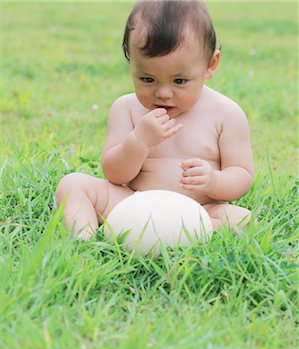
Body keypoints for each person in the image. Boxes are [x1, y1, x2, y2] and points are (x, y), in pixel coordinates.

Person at [56, 0, 254, 240]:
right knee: (72, 184)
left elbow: (241, 175)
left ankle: (187, 233)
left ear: (210, 65)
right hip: (133, 205)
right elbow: (115, 176)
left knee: (241, 218)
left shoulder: (226, 114)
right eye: (147, 79)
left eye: (179, 81)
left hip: (198, 210)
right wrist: (139, 140)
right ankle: (84, 242)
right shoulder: (126, 108)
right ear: (132, 64)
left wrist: (214, 181)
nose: (163, 93)